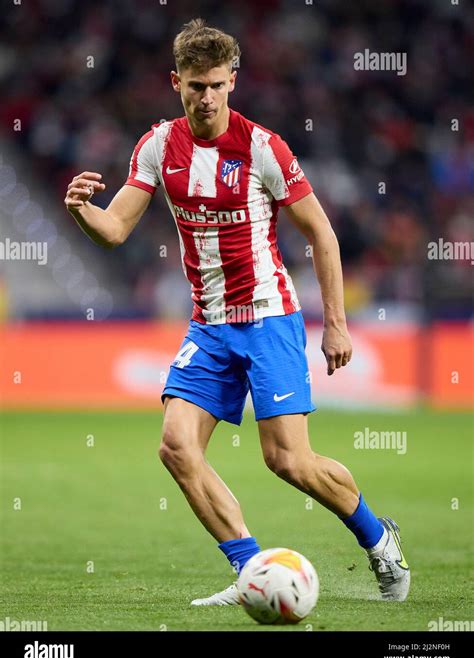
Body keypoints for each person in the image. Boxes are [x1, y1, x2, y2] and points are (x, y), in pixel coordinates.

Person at [65, 18, 410, 606]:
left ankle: (379, 541)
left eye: (218, 85)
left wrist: (336, 322)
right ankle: (251, 570)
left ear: (233, 82)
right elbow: (116, 228)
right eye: (196, 85)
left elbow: (321, 234)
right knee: (176, 446)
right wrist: (80, 210)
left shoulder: (262, 148)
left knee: (289, 461)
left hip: (270, 317)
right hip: (209, 324)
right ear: (176, 82)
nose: (207, 97)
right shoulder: (156, 146)